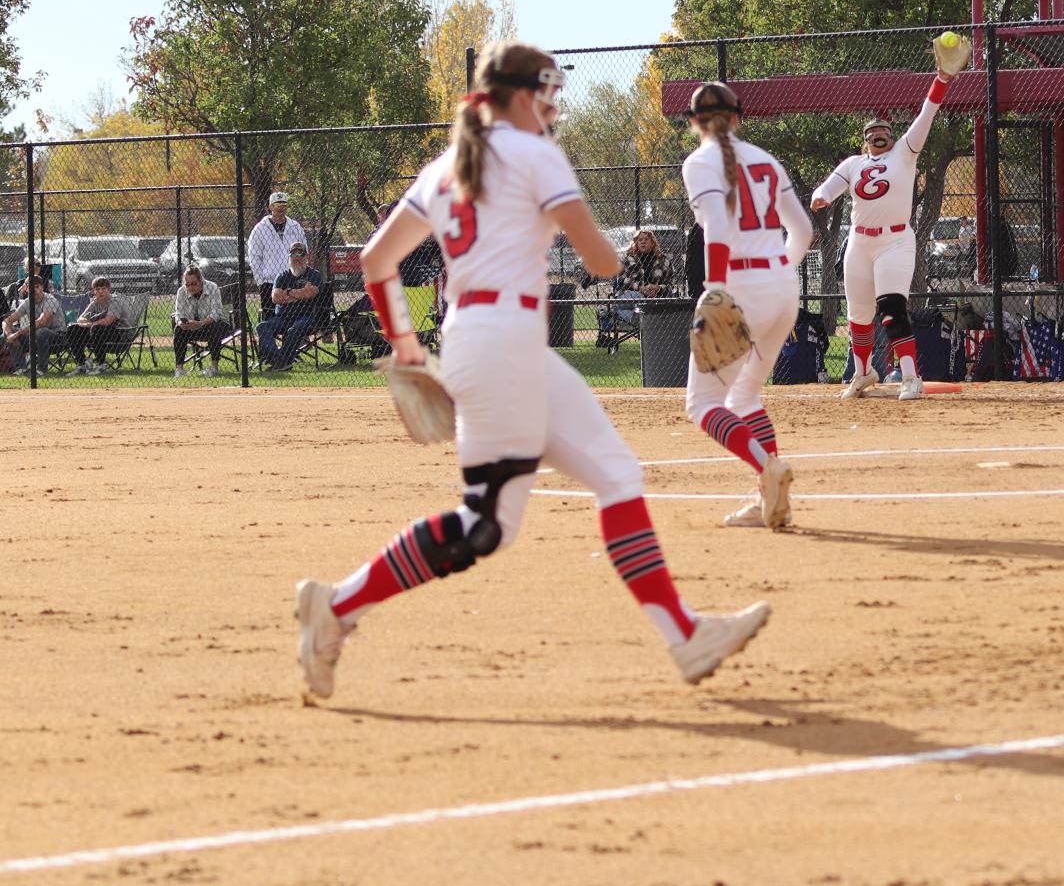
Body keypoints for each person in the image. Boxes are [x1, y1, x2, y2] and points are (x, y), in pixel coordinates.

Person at [293, 42, 769, 700]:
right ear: (519, 93)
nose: (552, 103)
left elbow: (377, 262)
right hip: (501, 342)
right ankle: (338, 606)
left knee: (615, 473)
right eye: (546, 89)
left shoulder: (444, 167)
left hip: (493, 341)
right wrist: (571, 224)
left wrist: (406, 346)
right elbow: (602, 262)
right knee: (484, 523)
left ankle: (684, 636)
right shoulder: (534, 154)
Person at [685, 81, 815, 526]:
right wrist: (779, 272)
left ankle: (768, 469)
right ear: (739, 117)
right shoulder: (766, 159)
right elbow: (804, 232)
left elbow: (717, 231)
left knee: (702, 405)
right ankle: (769, 500)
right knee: (743, 395)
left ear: (692, 122)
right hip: (782, 284)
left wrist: (715, 290)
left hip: (740, 286)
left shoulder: (699, 161)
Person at [810, 58, 956, 401]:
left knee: (891, 307)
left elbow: (926, 114)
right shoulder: (853, 164)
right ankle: (863, 373)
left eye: (884, 131)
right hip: (859, 243)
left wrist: (942, 80)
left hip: (894, 240)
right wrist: (821, 196)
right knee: (859, 318)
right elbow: (829, 187)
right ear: (864, 141)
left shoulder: (905, 153)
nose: (878, 134)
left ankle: (910, 376)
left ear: (892, 137)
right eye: (871, 133)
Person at [256, 242, 322, 371]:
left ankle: (282, 361)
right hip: (283, 318)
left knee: (294, 329)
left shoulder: (314, 274)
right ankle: (278, 358)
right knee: (262, 326)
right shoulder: (282, 276)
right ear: (289, 257)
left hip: (306, 317)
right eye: (293, 254)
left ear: (306, 257)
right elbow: (275, 298)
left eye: (300, 254)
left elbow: (310, 293)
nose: (297, 258)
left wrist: (287, 292)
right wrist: (299, 293)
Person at [247, 191, 307, 319]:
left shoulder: (295, 227)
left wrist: (301, 275)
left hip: (293, 280)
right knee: (271, 320)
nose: (281, 208)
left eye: (284, 205)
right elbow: (254, 257)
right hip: (269, 282)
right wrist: (261, 281)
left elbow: (304, 252)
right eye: (277, 205)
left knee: (295, 318)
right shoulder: (259, 229)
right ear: (270, 207)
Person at [172, 266, 229, 376]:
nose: (190, 287)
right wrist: (181, 323)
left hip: (213, 324)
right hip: (192, 326)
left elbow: (216, 313)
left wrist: (201, 323)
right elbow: (178, 313)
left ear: (201, 281)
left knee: (215, 328)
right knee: (178, 330)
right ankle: (179, 369)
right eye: (187, 284)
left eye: (194, 284)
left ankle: (214, 367)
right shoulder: (181, 291)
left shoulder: (213, 288)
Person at [610, 228, 672, 325]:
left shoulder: (663, 261)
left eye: (646, 239)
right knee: (626, 299)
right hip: (632, 296)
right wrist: (640, 288)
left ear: (652, 243)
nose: (643, 242)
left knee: (621, 307)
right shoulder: (629, 260)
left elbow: (669, 284)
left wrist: (658, 288)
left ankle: (640, 320)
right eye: (640, 240)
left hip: (656, 297)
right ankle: (642, 321)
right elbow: (622, 281)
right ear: (636, 243)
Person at [4, 276, 62, 375]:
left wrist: (17, 334)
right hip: (34, 337)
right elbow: (6, 321)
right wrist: (10, 334)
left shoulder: (50, 300)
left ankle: (41, 370)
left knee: (41, 331)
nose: (34, 290)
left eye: (37, 286)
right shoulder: (27, 302)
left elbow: (40, 322)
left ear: (42, 287)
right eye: (30, 287)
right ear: (26, 289)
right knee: (7, 334)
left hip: (57, 337)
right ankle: (21, 368)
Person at [65, 276, 122, 375]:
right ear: (93, 291)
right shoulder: (94, 302)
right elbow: (80, 319)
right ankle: (82, 364)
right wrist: (88, 323)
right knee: (72, 328)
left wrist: (90, 323)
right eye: (97, 289)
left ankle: (101, 365)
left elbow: (108, 321)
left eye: (104, 289)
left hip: (119, 333)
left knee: (96, 328)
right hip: (96, 332)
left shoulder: (115, 301)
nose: (101, 292)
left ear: (109, 289)